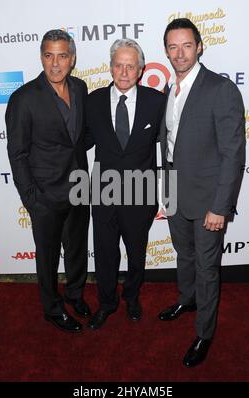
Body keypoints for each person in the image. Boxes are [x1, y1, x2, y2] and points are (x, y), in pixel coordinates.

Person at [158, 18, 246, 367]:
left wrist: (220, 207)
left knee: (207, 267)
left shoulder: (220, 89)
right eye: (172, 47)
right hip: (175, 194)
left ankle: (204, 333)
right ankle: (187, 298)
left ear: (199, 47)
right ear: (166, 50)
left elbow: (232, 154)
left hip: (209, 200)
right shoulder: (168, 88)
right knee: (184, 256)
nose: (179, 53)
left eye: (186, 46)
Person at [6, 29, 91, 333]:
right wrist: (32, 199)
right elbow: (17, 153)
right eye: (49, 55)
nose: (55, 64)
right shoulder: (23, 99)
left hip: (80, 188)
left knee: (78, 249)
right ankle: (52, 309)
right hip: (45, 195)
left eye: (62, 55)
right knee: (48, 257)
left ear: (72, 58)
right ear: (41, 57)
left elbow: (79, 139)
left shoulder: (80, 88)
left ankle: (75, 294)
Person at [86, 38, 165, 330]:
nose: (123, 72)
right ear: (110, 67)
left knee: (136, 252)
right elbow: (80, 141)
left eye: (130, 66)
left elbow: (169, 149)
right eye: (118, 65)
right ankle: (107, 303)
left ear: (141, 69)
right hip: (104, 193)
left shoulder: (156, 102)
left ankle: (132, 297)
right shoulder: (92, 101)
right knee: (105, 252)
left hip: (140, 193)